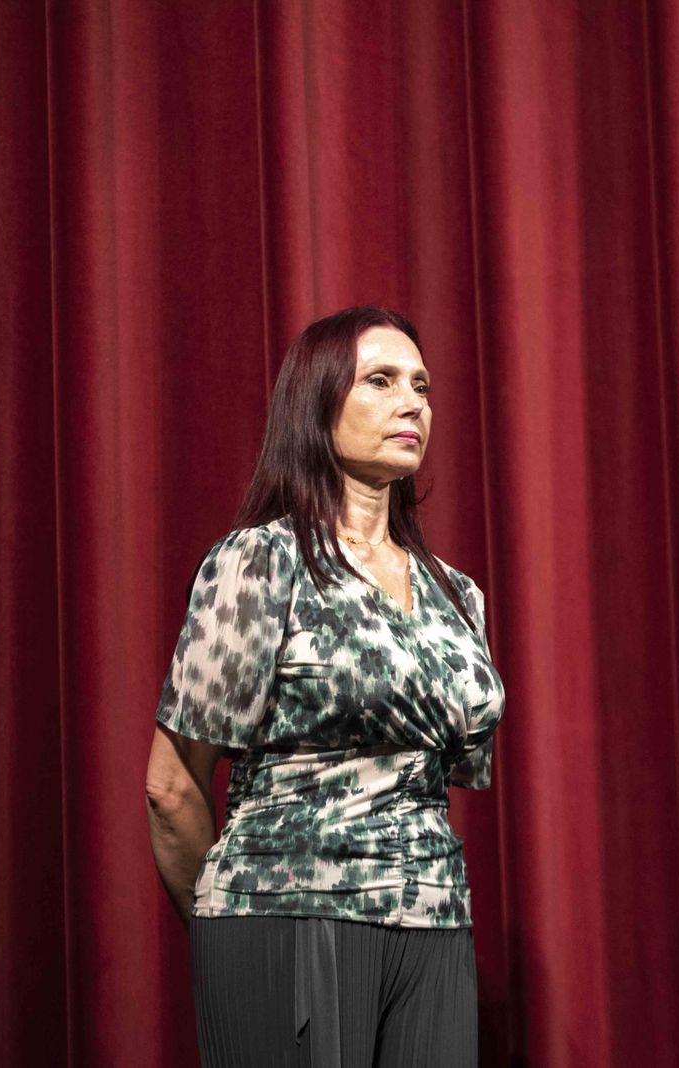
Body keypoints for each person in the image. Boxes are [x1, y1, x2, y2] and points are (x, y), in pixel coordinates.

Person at [144, 306, 504, 1067]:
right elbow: (173, 786)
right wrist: (232, 924)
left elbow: (444, 776)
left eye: (422, 386)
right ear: (318, 404)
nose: (413, 403)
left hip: (435, 924)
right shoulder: (261, 563)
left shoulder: (457, 593)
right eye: (381, 381)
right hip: (287, 913)